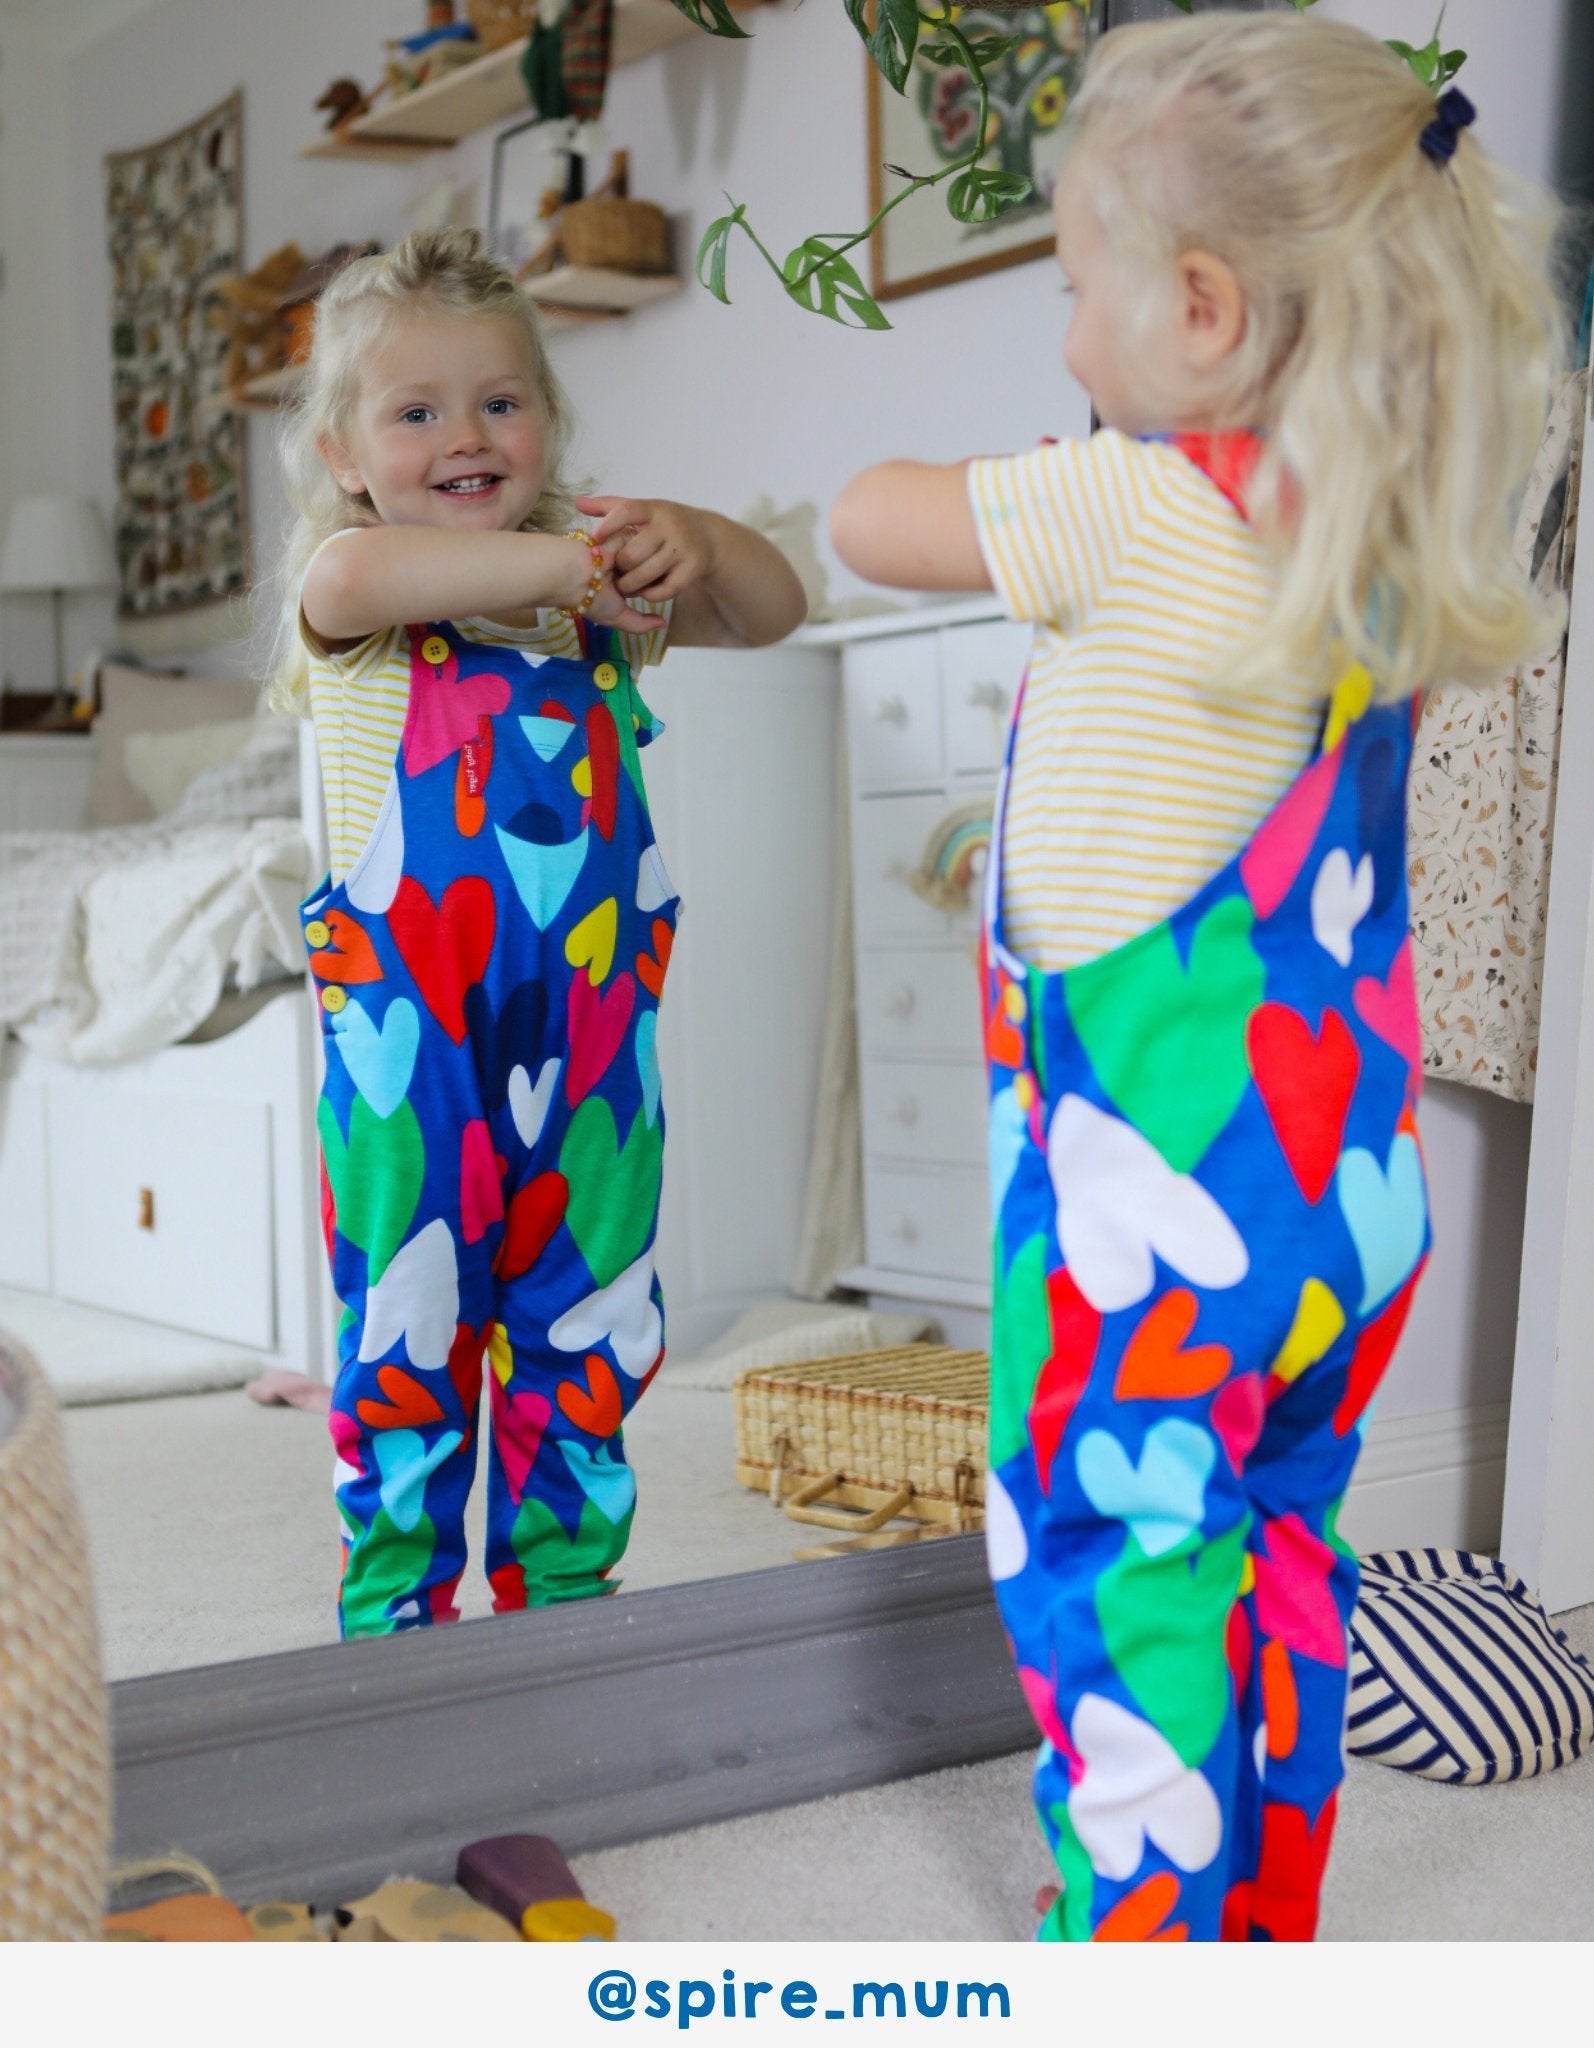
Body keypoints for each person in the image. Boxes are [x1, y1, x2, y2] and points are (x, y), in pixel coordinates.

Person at [830, 13, 1565, 1941]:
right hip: (1337, 1187)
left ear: (1207, 314)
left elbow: (863, 517)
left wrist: (1038, 470)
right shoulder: (1377, 559)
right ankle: (1264, 1919)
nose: (1070, 341)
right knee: (1272, 1552)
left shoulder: (1141, 507)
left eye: (1080, 289)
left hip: (1151, 1201)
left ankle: (1143, 1946)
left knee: (1105, 1553)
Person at [273, 228, 805, 1639]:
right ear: (342, 451)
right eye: (416, 410)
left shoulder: (597, 610)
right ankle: (395, 1619)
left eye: (500, 402)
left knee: (591, 1327)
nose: (466, 433)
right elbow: (357, 585)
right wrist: (556, 559)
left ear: (549, 425)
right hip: (410, 1069)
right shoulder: (356, 599)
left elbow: (772, 609)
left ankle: (561, 1606)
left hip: (590, 1066)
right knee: (409, 1338)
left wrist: (702, 539)